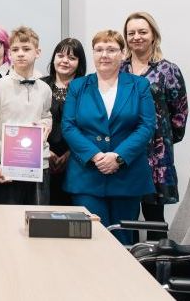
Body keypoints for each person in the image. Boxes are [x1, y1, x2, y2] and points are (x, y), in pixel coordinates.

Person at [62, 30, 155, 244]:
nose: (104, 55)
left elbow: (146, 126)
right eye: (99, 50)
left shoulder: (139, 85)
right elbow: (68, 126)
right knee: (91, 239)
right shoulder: (77, 86)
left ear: (122, 53)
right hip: (86, 176)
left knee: (124, 241)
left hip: (127, 176)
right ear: (93, 53)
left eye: (111, 50)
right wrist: (95, 156)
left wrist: (118, 157)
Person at [121, 12, 187, 239]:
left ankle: (157, 261)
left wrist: (161, 139)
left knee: (154, 219)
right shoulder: (119, 69)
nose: (136, 37)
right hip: (123, 151)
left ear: (153, 35)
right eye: (131, 33)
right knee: (125, 217)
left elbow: (179, 114)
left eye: (142, 32)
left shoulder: (168, 70)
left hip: (156, 157)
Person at [0, 26, 53, 205]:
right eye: (15, 50)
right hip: (5, 167)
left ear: (37, 52)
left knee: (38, 219)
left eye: (26, 49)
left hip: (38, 166)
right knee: (6, 220)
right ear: (9, 53)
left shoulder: (45, 89)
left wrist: (46, 125)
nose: (20, 54)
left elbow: (46, 115)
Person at [40, 38, 87, 206]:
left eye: (72, 58)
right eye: (60, 56)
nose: (65, 61)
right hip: (43, 158)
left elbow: (90, 126)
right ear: (54, 58)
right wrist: (46, 151)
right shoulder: (40, 85)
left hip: (77, 159)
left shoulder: (87, 88)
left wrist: (71, 153)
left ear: (79, 63)